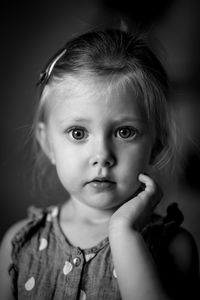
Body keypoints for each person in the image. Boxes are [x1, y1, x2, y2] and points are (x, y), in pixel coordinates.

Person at [0, 28, 199, 300]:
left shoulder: (173, 248)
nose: (102, 155)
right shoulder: (19, 246)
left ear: (156, 145)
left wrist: (124, 234)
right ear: (48, 144)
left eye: (125, 132)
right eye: (78, 133)